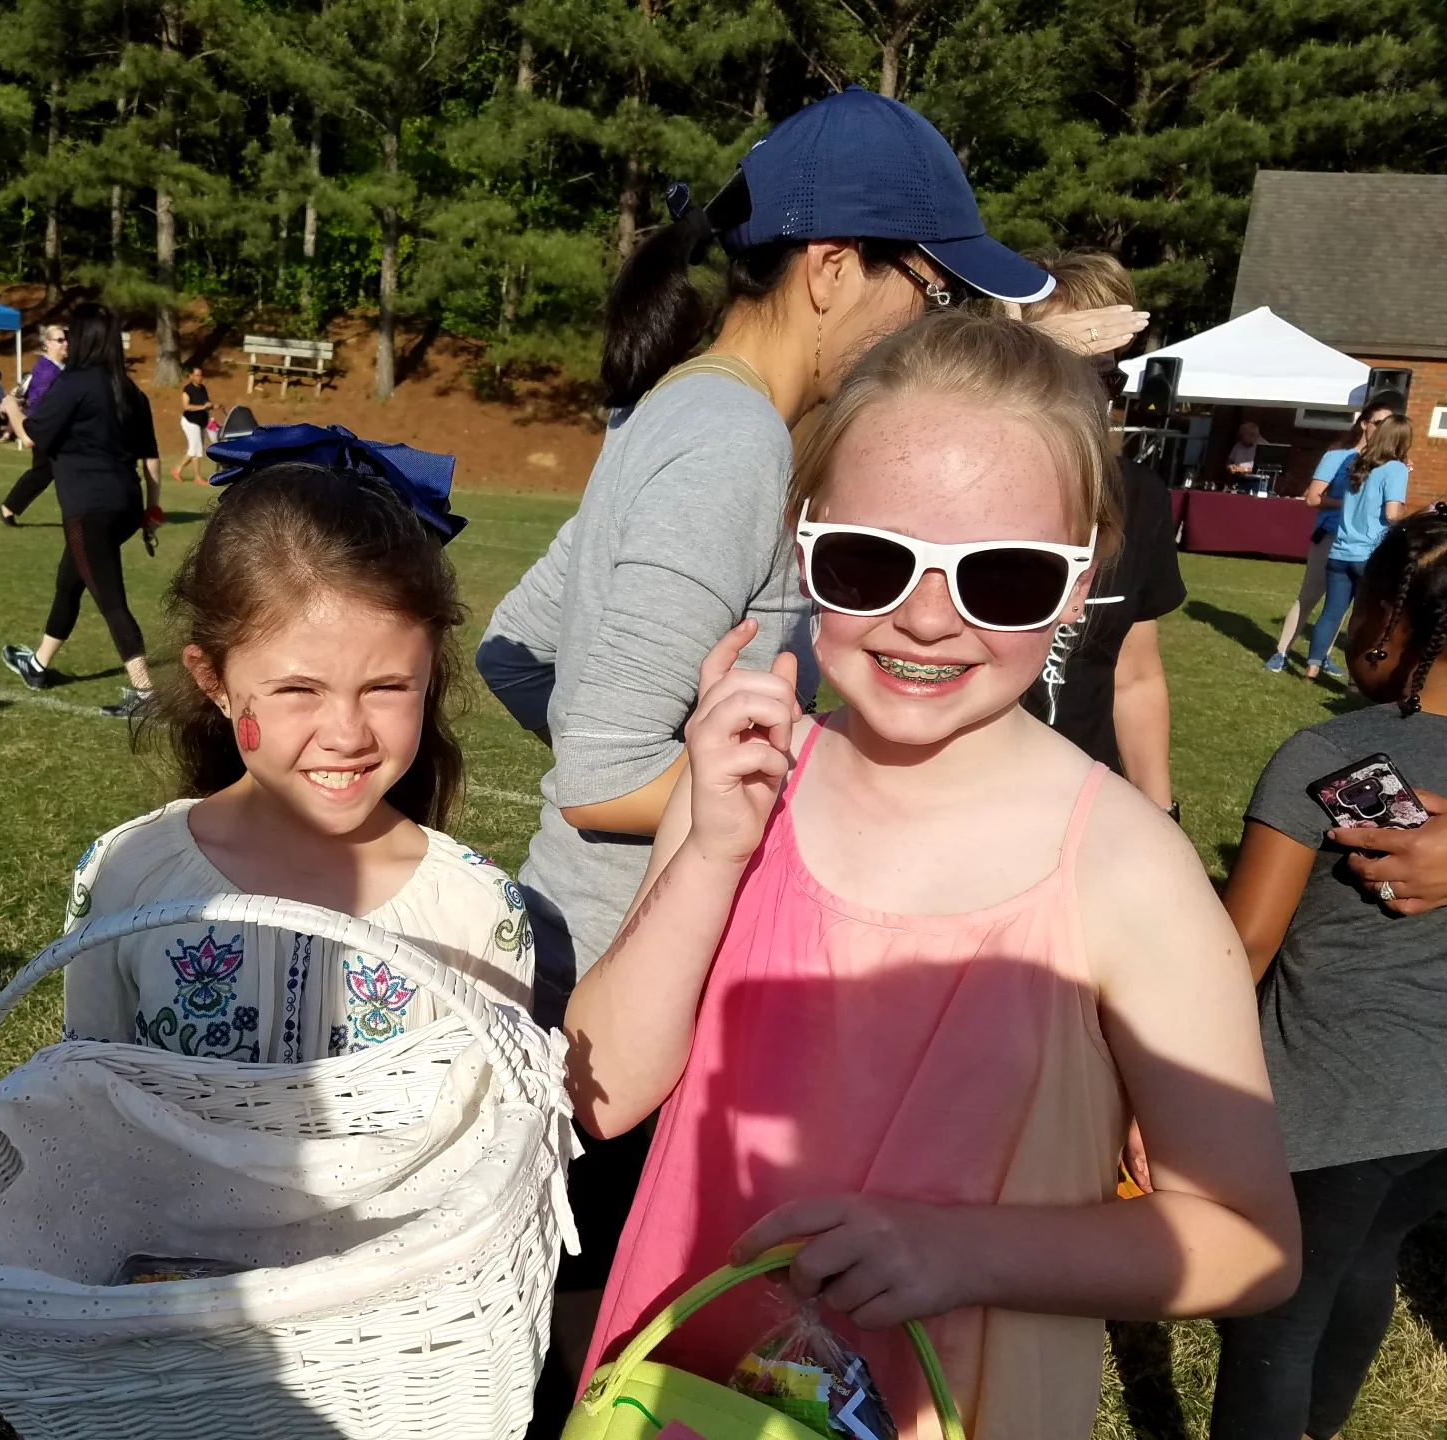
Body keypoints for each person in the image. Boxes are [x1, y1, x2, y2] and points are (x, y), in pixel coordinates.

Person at [564, 314, 1299, 1437]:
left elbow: (1250, 1240)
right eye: (870, 560)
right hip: (686, 1391)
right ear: (804, 541)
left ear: (1081, 581)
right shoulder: (750, 787)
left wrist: (958, 1249)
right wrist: (711, 849)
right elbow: (600, 1091)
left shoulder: (1128, 870)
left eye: (1003, 578)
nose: (923, 619)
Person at [476, 87, 1057, 1389]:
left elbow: (514, 649)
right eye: (932, 291)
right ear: (834, 268)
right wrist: (806, 794)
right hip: (627, 983)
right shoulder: (728, 442)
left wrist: (661, 737)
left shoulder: (688, 411)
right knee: (595, 1349)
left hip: (595, 954)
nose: (932, 327)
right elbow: (603, 781)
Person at [62, 457, 532, 1056]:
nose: (347, 735)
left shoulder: (476, 910)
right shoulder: (129, 877)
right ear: (214, 682)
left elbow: (499, 1106)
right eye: (298, 690)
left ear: (429, 673)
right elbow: (85, 1086)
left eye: (386, 687)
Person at [1214, 503, 1447, 1440]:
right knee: (1368, 1257)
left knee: (1278, 1312)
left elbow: (1242, 948)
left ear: (1386, 618)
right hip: (1432, 1122)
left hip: (1332, 1105)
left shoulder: (1327, 755)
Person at [1019, 251, 1183, 814]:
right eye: (1065, 365)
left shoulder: (1139, 497)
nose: (1091, 396)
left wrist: (1161, 815)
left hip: (1085, 801)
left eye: (1105, 375)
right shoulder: (958, 480)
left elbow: (1135, 675)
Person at [0, 301, 162, 718]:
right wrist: (152, 512)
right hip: (125, 505)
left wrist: (13, 408)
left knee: (111, 600)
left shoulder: (73, 383)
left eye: (72, 334)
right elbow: (151, 459)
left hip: (90, 508)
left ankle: (147, 694)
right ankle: (37, 665)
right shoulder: (131, 391)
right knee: (68, 582)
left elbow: (33, 437)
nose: (68, 341)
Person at [1263, 406, 1395, 672]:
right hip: (1330, 534)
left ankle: (1321, 656)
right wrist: (1350, 504)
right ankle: (1281, 653)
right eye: (1378, 422)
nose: (1383, 429)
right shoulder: (1337, 457)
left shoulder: (1387, 465)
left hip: (1363, 542)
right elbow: (1312, 498)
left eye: (1389, 424)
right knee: (1309, 596)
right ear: (1364, 424)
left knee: (1340, 605)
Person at [1305, 415, 1412, 680]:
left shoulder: (1358, 463)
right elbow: (1391, 514)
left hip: (1340, 551)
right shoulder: (1396, 469)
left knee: (1331, 613)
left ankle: (1312, 668)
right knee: (1366, 620)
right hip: (1370, 555)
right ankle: (1356, 679)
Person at [0, 322, 67, 523]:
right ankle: (7, 508)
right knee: (44, 471)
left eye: (66, 339)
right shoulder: (47, 371)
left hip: (52, 427)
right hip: (45, 427)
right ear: (48, 343)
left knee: (45, 472)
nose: (65, 344)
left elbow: (24, 390)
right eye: (60, 340)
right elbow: (43, 402)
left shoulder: (57, 367)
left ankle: (7, 508)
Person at [171, 366, 211, 483]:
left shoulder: (202, 388)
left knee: (196, 450)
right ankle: (189, 474)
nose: (200, 378)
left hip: (201, 422)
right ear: (191, 376)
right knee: (195, 449)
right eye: (197, 375)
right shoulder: (188, 389)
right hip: (190, 422)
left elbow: (205, 403)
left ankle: (182, 471)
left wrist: (211, 406)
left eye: (201, 375)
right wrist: (203, 407)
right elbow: (186, 406)